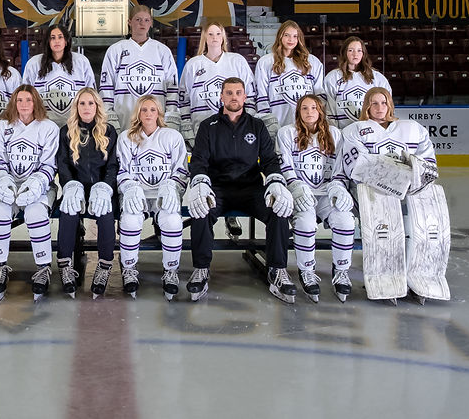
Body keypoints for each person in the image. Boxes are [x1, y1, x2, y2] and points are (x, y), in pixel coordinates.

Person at [330, 87, 448, 302]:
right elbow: (358, 167)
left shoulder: (413, 129)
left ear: (390, 105)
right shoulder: (355, 130)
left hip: (409, 193)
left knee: (419, 227)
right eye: (374, 103)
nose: (379, 108)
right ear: (367, 106)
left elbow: (428, 165)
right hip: (372, 195)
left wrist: (411, 176)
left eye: (384, 103)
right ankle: (385, 275)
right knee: (384, 230)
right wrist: (399, 175)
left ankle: (417, 275)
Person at [185, 78, 296, 303]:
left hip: (251, 189)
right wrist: (200, 183)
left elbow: (269, 160)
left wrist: (275, 181)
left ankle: (277, 270)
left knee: (279, 211)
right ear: (221, 97)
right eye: (229, 93)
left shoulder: (257, 126)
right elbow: (198, 161)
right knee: (200, 211)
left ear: (245, 97)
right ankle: (201, 269)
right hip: (218, 190)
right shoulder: (207, 126)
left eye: (238, 93)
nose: (233, 97)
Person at [276, 94, 354, 302]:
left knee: (346, 221)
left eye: (313, 108)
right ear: (298, 112)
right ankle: (307, 271)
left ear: (321, 111)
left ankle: (341, 270)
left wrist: (338, 187)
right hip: (301, 194)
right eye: (304, 108)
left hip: (327, 193)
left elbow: (340, 169)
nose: (309, 112)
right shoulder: (287, 133)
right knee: (305, 224)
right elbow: (285, 166)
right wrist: (296, 186)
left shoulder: (335, 134)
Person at [0, 84, 60, 301]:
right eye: (19, 100)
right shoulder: (1, 127)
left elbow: (49, 164)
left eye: (29, 100)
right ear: (14, 102)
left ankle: (43, 267)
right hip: (9, 185)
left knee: (35, 213)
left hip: (40, 185)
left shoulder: (49, 127)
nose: (24, 104)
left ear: (36, 102)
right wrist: (2, 180)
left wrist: (37, 182)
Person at [116, 95, 187, 300]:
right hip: (137, 195)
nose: (148, 114)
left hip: (163, 196)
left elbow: (182, 170)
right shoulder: (126, 137)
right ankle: (129, 268)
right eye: (144, 110)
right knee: (129, 221)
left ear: (159, 113)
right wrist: (129, 187)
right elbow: (121, 170)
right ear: (138, 113)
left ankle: (171, 270)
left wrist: (172, 186)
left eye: (152, 110)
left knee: (173, 221)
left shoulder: (172, 136)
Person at [56, 87, 119, 299]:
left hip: (101, 188)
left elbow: (113, 165)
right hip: (76, 187)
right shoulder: (66, 131)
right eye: (82, 103)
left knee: (106, 215)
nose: (86, 107)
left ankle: (104, 266)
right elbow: (63, 164)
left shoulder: (109, 131)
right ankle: (65, 265)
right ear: (76, 106)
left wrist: (106, 187)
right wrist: (69, 185)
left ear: (97, 106)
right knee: (68, 213)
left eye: (91, 103)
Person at [100, 5, 179, 130]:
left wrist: (171, 114)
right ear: (129, 22)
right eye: (138, 19)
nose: (142, 23)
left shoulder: (162, 51)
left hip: (156, 122)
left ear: (151, 23)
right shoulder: (116, 50)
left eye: (146, 20)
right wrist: (108, 114)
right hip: (124, 118)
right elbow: (106, 86)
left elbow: (172, 86)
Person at [178, 21, 257, 144]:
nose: (214, 37)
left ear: (223, 37)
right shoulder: (193, 64)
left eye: (218, 34)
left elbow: (250, 95)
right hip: (201, 130)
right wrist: (187, 124)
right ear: (204, 37)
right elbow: (184, 99)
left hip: (235, 130)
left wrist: (247, 121)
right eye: (210, 34)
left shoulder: (237, 61)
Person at [254, 20, 324, 131]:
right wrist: (268, 122)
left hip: (307, 124)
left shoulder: (312, 61)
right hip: (278, 121)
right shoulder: (265, 62)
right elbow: (262, 95)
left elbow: (319, 93)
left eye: (295, 36)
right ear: (280, 36)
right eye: (287, 35)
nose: (291, 39)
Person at [22, 24, 96, 127]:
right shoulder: (34, 63)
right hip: (44, 124)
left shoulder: (81, 61)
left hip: (75, 124)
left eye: (60, 37)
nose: (56, 41)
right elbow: (25, 95)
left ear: (66, 41)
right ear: (48, 42)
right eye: (52, 38)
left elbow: (91, 93)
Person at [323, 36, 392, 128]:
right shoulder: (333, 77)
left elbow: (387, 106)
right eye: (351, 50)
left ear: (363, 53)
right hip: (343, 131)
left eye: (359, 50)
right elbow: (329, 108)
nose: (355, 54)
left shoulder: (377, 78)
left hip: (371, 131)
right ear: (344, 53)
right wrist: (334, 130)